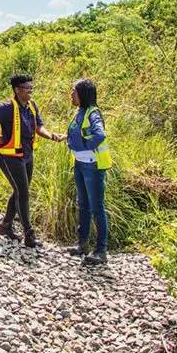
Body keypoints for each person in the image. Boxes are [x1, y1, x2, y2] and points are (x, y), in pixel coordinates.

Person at [0, 73, 66, 248]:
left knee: (19, 190)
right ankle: (29, 233)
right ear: (17, 90)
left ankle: (5, 226)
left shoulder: (32, 106)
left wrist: (51, 136)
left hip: (26, 154)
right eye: (27, 89)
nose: (30, 92)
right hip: (10, 157)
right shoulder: (7, 108)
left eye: (31, 88)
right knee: (23, 192)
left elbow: (39, 127)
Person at [65, 78, 112, 265]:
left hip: (92, 166)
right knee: (82, 204)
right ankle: (82, 244)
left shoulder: (93, 114)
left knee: (96, 208)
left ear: (82, 94)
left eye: (74, 92)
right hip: (80, 163)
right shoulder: (80, 113)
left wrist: (86, 145)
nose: (71, 95)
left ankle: (101, 251)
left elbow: (100, 135)